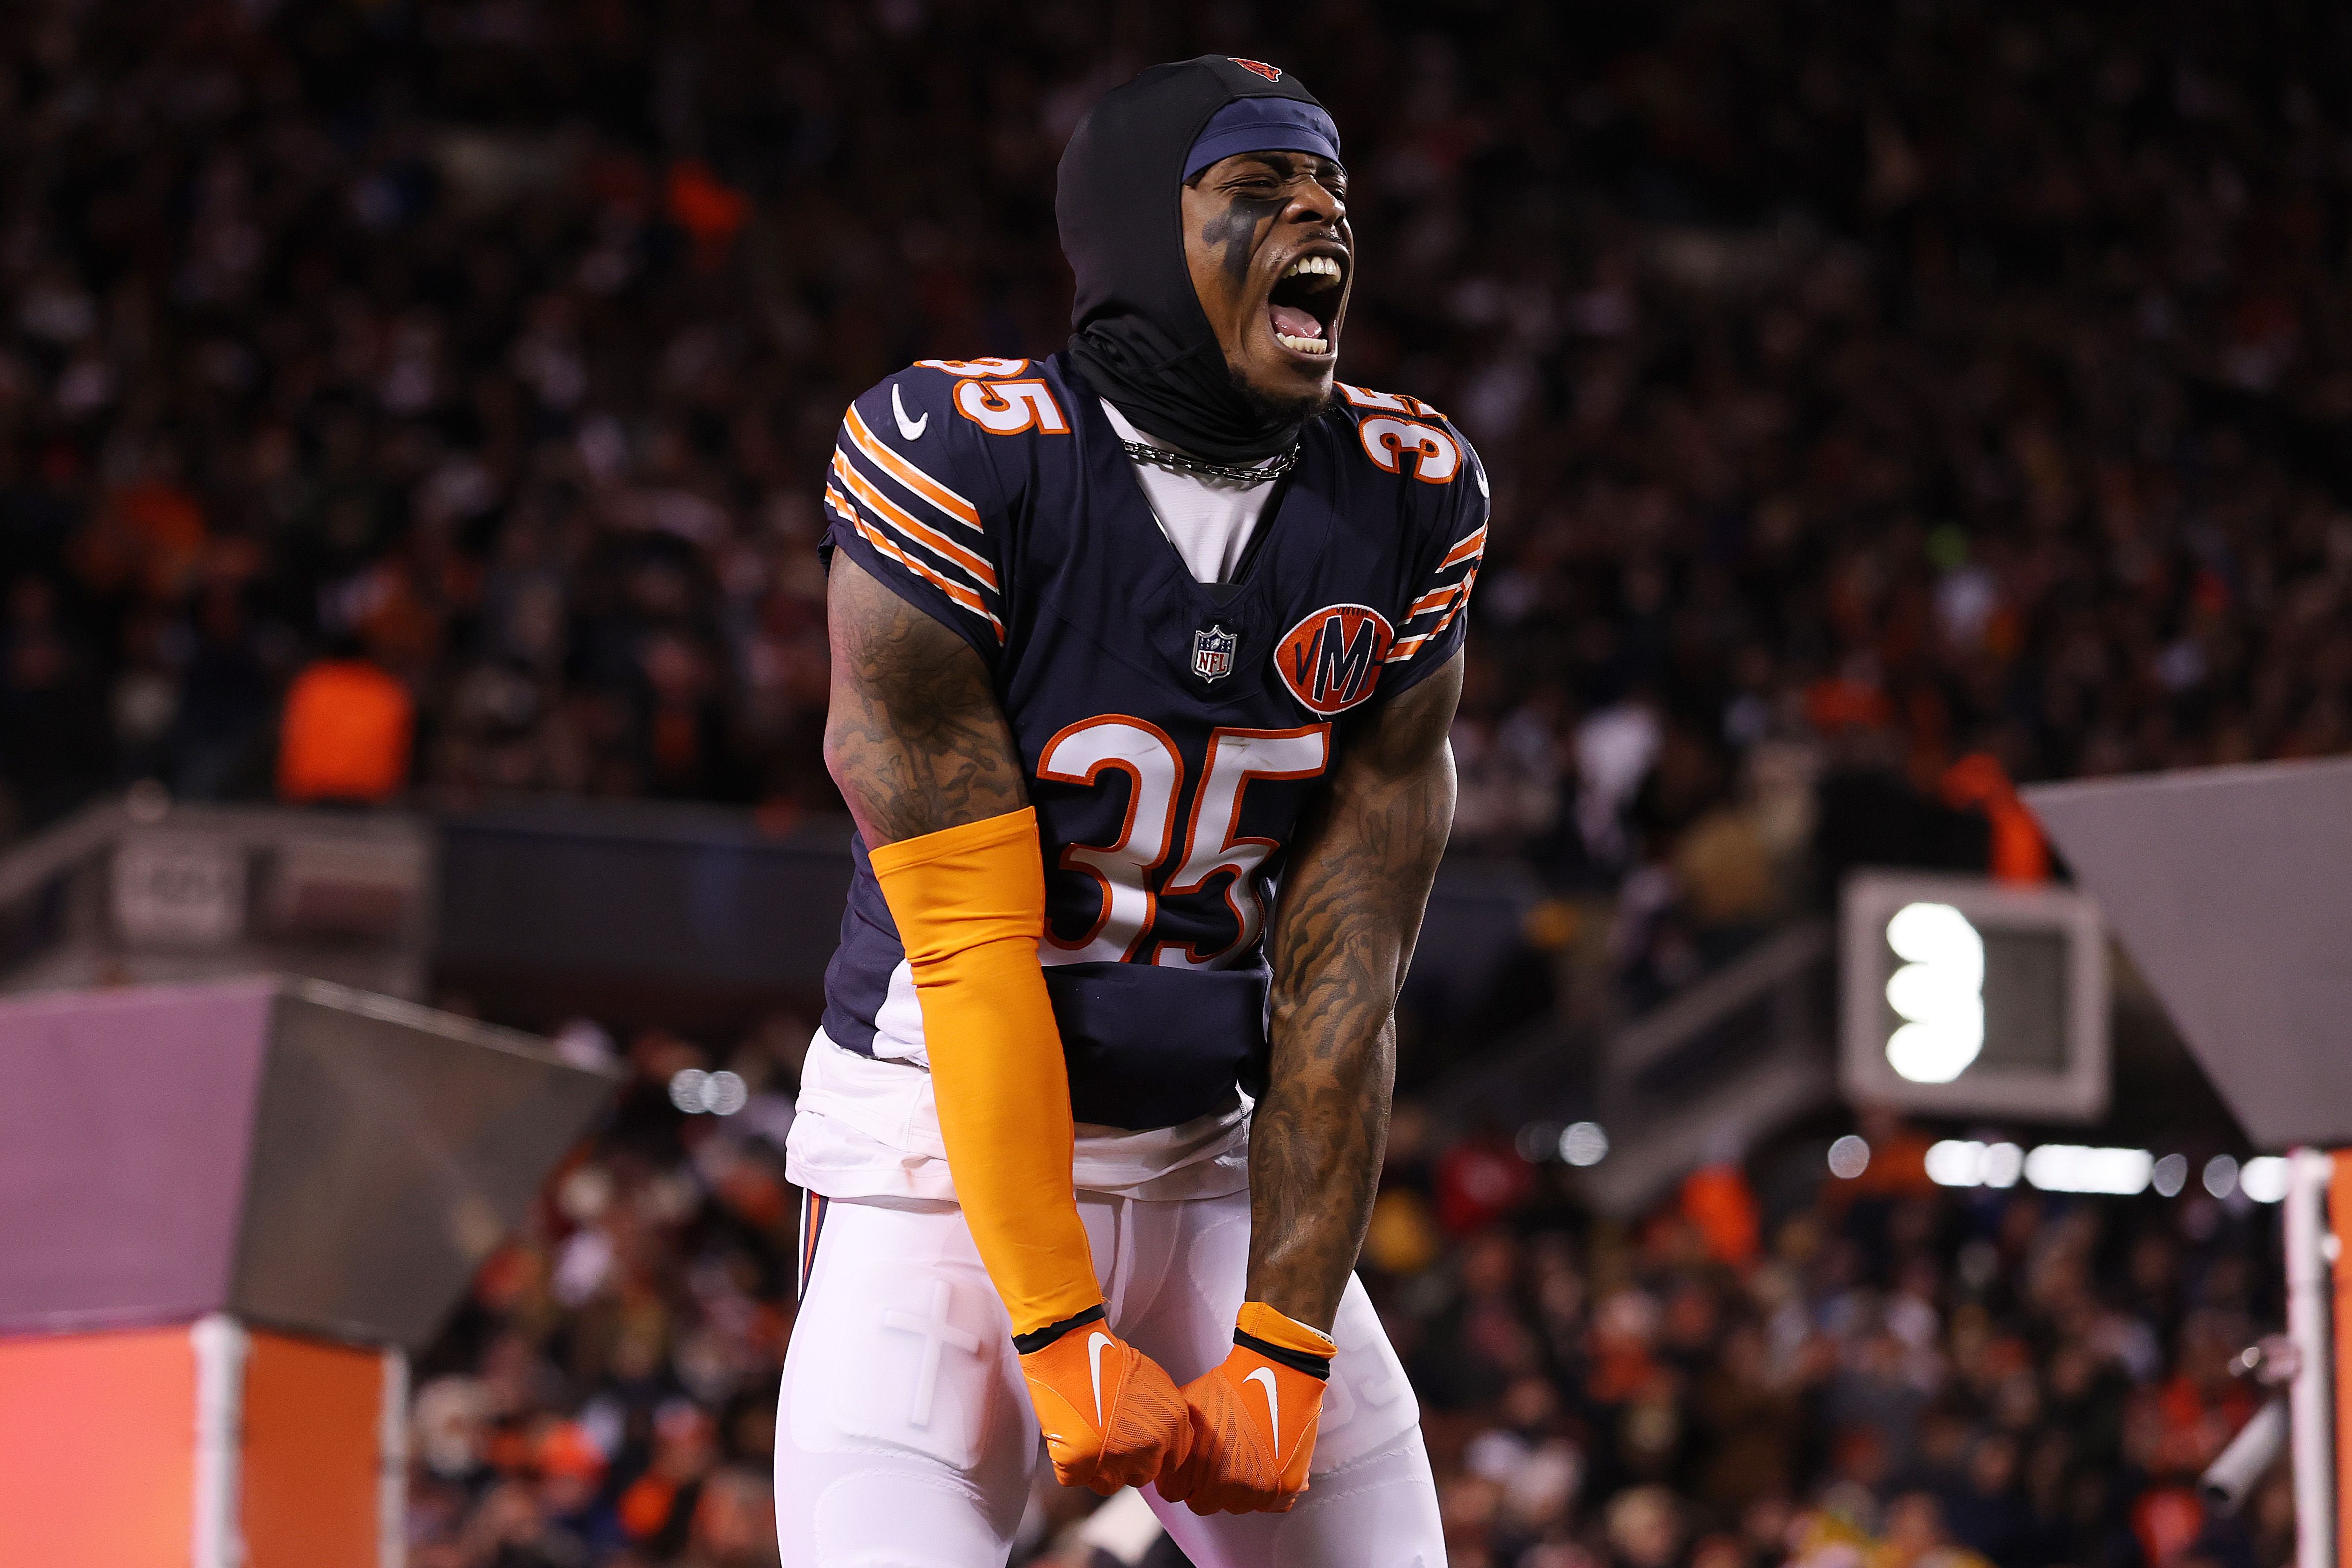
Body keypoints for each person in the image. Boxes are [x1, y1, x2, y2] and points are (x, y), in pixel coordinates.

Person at [774, 55, 1483, 1568]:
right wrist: (1053, 1319)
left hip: (1211, 1152)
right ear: (1137, 236)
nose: (1320, 212)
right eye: (1257, 187)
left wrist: (1288, 1338)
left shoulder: (1405, 492)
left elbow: (1347, 970)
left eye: (1331, 187)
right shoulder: (965, 454)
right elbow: (970, 948)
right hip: (935, 1164)